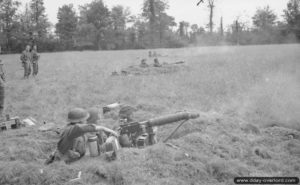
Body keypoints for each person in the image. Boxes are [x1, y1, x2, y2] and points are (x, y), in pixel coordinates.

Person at [45, 108, 119, 164]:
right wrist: (104, 128)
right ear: (79, 121)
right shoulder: (72, 130)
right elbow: (82, 128)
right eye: (85, 119)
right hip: (62, 162)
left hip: (72, 159)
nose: (86, 121)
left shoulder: (74, 130)